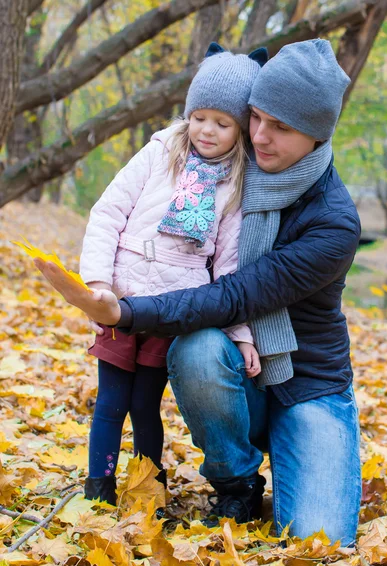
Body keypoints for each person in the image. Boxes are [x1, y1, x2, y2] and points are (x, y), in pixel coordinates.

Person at [37, 39, 362, 546]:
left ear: (317, 135)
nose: (260, 136)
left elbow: (234, 294)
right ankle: (236, 484)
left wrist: (124, 312)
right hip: (237, 370)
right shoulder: (225, 163)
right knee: (197, 348)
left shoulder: (334, 223)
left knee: (321, 542)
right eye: (255, 117)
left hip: (308, 383)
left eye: (281, 127)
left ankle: (301, 446)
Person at [76, 43, 268, 505]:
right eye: (200, 117)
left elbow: (228, 268)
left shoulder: (235, 184)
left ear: (240, 129)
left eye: (223, 124)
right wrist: (98, 284)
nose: (207, 130)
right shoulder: (159, 152)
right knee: (110, 403)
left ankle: (149, 491)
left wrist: (240, 334)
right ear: (188, 113)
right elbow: (108, 213)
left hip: (173, 309)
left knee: (145, 405)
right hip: (121, 298)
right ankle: (98, 486)